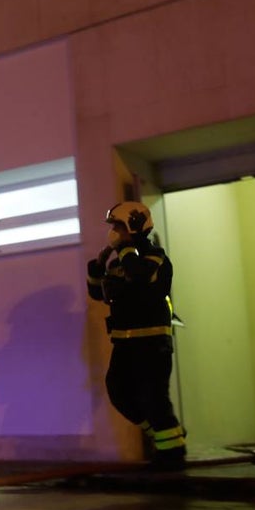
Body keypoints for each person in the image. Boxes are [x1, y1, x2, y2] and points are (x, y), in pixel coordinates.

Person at [86, 201, 186, 469]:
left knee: (154, 397)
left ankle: (173, 456)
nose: (115, 231)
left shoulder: (155, 257)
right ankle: (165, 434)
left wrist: (123, 248)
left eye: (119, 226)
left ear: (134, 225)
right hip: (125, 342)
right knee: (118, 392)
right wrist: (96, 269)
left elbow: (139, 276)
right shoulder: (122, 260)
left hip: (152, 341)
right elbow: (100, 294)